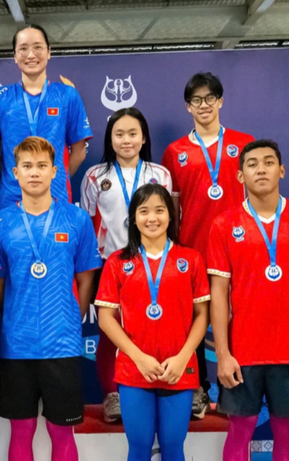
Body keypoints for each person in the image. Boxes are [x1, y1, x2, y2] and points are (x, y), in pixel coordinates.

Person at [206, 140, 289, 461]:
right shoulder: (223, 225)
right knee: (240, 430)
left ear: (282, 170)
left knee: (287, 433)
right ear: (239, 176)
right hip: (241, 352)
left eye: (268, 162)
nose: (261, 169)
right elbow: (217, 294)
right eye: (252, 164)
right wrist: (222, 354)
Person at [0, 136, 102, 461]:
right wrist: (16, 317)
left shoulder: (76, 219)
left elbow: (85, 279)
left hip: (61, 344)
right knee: (21, 431)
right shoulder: (0, 223)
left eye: (41, 166)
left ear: (55, 172)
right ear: (15, 173)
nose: (34, 173)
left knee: (61, 431)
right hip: (16, 345)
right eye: (27, 166)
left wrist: (67, 318)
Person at [161, 72, 255, 419]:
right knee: (195, 323)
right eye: (197, 100)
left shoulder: (244, 144)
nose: (204, 105)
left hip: (239, 248)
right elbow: (171, 206)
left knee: (239, 319)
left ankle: (238, 389)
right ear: (188, 106)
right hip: (194, 249)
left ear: (221, 101)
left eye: (210, 98)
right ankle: (198, 388)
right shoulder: (176, 151)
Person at [95, 184, 209, 461]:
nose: (152, 218)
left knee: (173, 448)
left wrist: (183, 357)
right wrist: (139, 358)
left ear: (170, 215)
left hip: (178, 369)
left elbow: (202, 315)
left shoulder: (191, 259)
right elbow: (106, 319)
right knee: (139, 448)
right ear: (133, 217)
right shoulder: (117, 262)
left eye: (159, 210)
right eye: (144, 211)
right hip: (134, 370)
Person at [80, 108, 172, 423]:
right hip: (112, 266)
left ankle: (157, 392)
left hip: (155, 265)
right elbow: (89, 228)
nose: (126, 140)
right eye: (119, 134)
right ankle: (112, 396)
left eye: (133, 133)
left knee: (155, 329)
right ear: (110, 139)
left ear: (143, 137)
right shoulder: (95, 176)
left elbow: (168, 221)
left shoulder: (159, 174)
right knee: (111, 333)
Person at [0, 24, 93, 210]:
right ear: (15, 56)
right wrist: (15, 176)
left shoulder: (67, 95)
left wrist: (54, 177)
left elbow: (79, 151)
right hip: (12, 198)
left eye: (37, 47)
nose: (31, 54)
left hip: (56, 195)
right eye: (23, 49)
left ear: (49, 52)